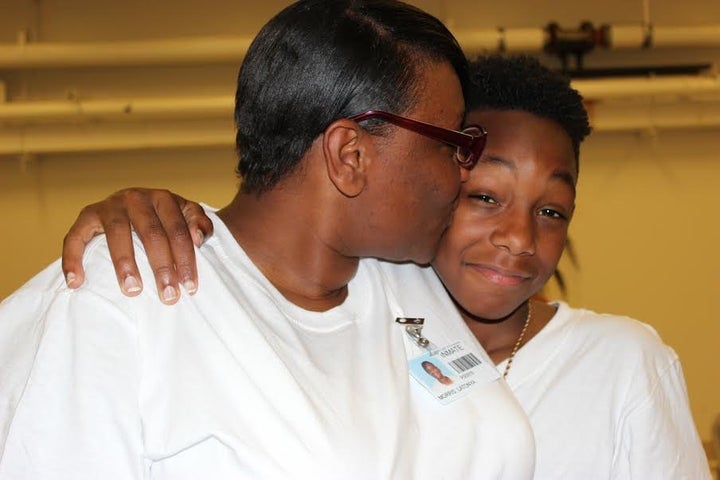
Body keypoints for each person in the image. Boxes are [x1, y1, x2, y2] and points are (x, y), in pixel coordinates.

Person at [62, 54, 712, 479]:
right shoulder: (353, 316)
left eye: (552, 212)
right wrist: (152, 208)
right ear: (431, 181)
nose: (519, 237)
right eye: (485, 196)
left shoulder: (622, 362)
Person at [0, 3, 537, 479]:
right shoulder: (129, 298)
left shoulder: (406, 275)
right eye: (452, 145)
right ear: (350, 155)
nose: (464, 174)